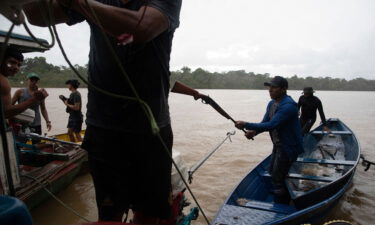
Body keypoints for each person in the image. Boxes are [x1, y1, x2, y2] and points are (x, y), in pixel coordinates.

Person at [24, 1, 182, 223]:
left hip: (150, 129)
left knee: (149, 215)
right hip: (103, 128)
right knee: (109, 213)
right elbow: (35, 16)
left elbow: (141, 29)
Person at [235, 76, 304, 203]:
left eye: (274, 87)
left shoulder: (288, 106)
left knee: (278, 177)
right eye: (269, 87)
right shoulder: (272, 104)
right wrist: (254, 132)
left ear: (283, 89)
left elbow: (272, 125)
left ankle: (282, 203)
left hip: (289, 146)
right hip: (279, 144)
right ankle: (282, 192)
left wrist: (246, 124)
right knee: (273, 171)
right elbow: (265, 122)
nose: (270, 90)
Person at [0, 47, 48, 120]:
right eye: (12, 62)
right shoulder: (16, 89)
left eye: (19, 65)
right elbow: (6, 112)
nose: (16, 67)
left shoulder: (39, 93)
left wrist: (48, 121)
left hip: (36, 122)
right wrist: (34, 99)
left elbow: (43, 108)